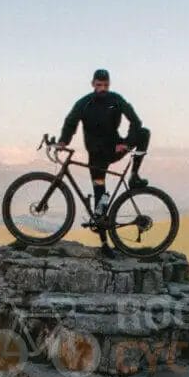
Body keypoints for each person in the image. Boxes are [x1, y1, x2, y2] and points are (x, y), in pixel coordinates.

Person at [57, 68, 150, 255]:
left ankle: (134, 176)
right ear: (93, 84)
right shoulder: (84, 103)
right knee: (100, 198)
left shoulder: (116, 99)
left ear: (109, 84)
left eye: (106, 85)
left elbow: (135, 121)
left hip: (115, 148)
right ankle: (105, 244)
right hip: (96, 154)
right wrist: (63, 141)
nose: (102, 89)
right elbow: (71, 122)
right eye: (99, 85)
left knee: (144, 133)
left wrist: (125, 142)